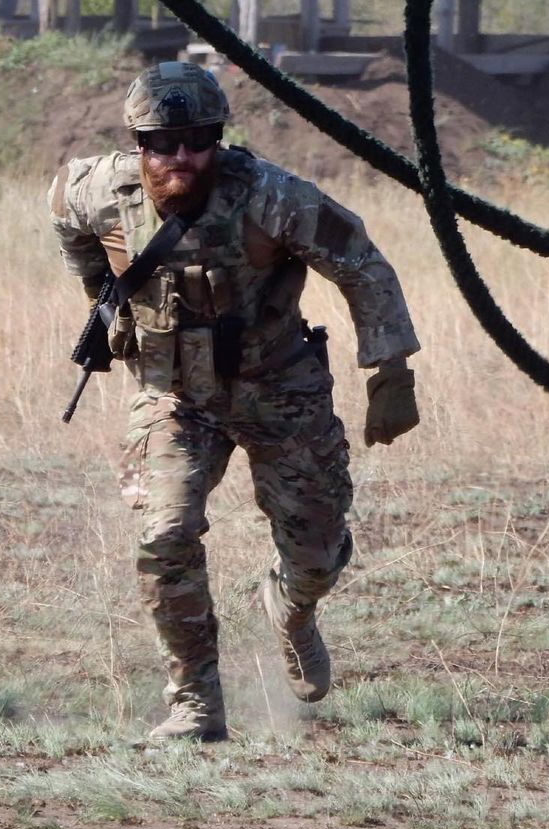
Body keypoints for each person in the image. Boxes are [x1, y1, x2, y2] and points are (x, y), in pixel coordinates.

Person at [48, 61, 420, 742]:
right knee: (164, 536)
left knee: (317, 548)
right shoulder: (97, 190)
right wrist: (103, 302)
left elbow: (363, 264)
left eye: (198, 139)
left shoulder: (273, 197)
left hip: (279, 386)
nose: (181, 156)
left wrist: (389, 369)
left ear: (218, 138)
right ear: (139, 144)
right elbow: (70, 227)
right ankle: (195, 704)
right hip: (173, 395)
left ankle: (293, 608)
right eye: (164, 143)